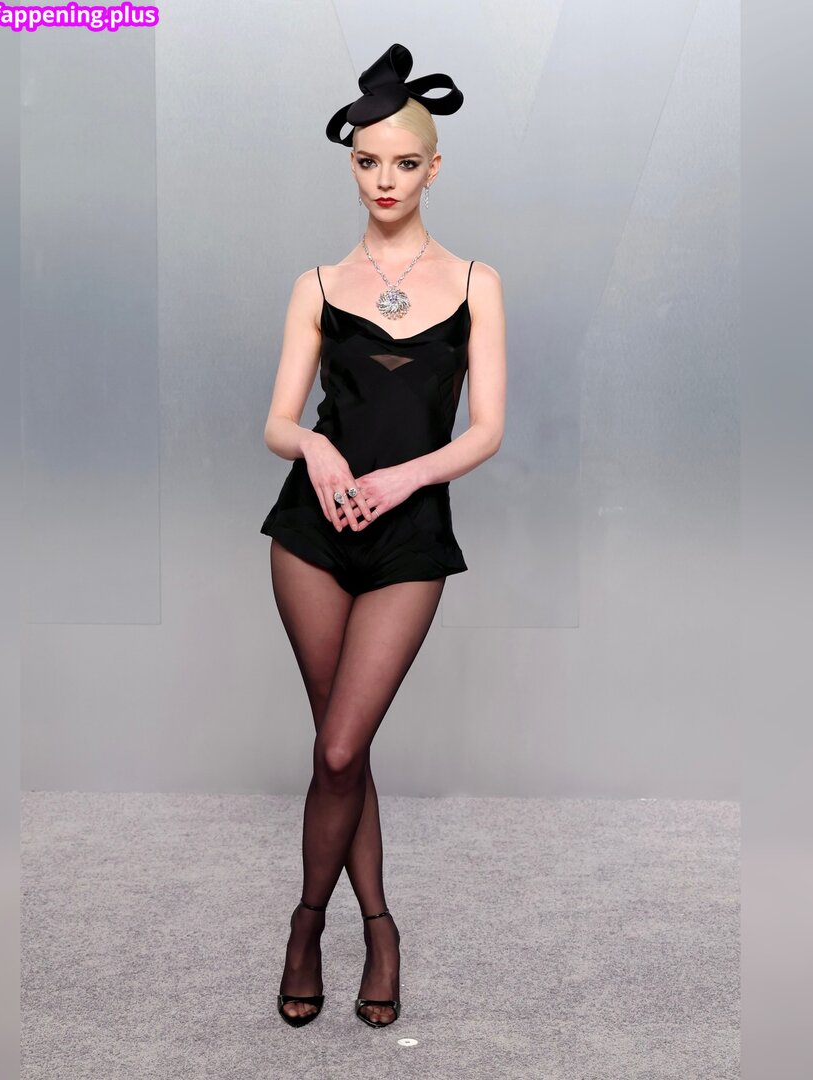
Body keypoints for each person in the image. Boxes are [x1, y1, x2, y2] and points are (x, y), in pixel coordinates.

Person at [260, 43, 506, 1028]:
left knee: (339, 746)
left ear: (433, 168)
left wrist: (407, 473)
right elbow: (279, 422)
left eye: (404, 163)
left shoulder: (476, 281)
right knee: (339, 755)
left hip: (410, 538)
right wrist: (317, 452)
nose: (385, 180)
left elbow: (486, 429)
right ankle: (343, 928)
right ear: (351, 166)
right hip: (309, 534)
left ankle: (336, 921)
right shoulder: (317, 282)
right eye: (367, 162)